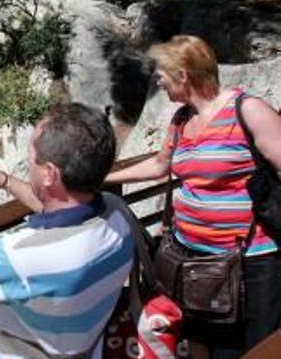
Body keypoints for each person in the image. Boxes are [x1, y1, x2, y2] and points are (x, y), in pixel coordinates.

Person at [105, 34, 281, 358]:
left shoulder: (248, 111)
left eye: (161, 75)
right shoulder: (182, 119)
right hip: (192, 259)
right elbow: (160, 165)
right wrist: (104, 176)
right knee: (200, 340)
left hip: (250, 262)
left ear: (183, 75)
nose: (158, 81)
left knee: (258, 345)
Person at [0, 103, 133, 359]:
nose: (27, 159)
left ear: (50, 174)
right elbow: (62, 211)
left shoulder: (21, 256)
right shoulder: (118, 213)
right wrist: (5, 181)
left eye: (31, 155)